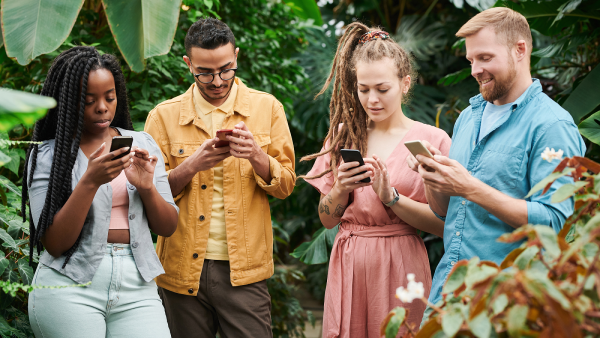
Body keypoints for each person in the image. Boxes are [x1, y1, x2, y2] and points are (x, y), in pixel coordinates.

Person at [406, 7, 586, 321]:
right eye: (471, 60)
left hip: (507, 305)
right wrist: (432, 179)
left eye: (485, 58)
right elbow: (447, 212)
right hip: (447, 298)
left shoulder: (552, 126)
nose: (476, 69)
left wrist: (471, 188)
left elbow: (556, 224)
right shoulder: (467, 118)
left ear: (520, 50)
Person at [144, 18, 295, 337]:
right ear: (188, 64)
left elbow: (286, 186)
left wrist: (256, 155)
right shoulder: (163, 116)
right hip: (181, 271)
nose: (217, 80)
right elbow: (147, 197)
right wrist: (191, 165)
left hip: (245, 273)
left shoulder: (266, 108)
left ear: (236, 57)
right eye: (205, 72)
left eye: (226, 69)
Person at [302, 23, 451, 338]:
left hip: (402, 264)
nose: (371, 99)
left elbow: (444, 226)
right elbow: (327, 220)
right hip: (350, 263)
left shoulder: (431, 140)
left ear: (405, 84)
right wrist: (341, 188)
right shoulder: (344, 135)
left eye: (382, 89)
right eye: (363, 89)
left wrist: (391, 197)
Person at [23, 46, 179, 337]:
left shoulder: (141, 142)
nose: (103, 108)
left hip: (137, 285)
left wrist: (146, 188)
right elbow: (55, 243)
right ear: (67, 101)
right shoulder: (48, 156)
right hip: (69, 285)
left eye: (110, 97)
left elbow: (167, 226)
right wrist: (90, 182)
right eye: (89, 100)